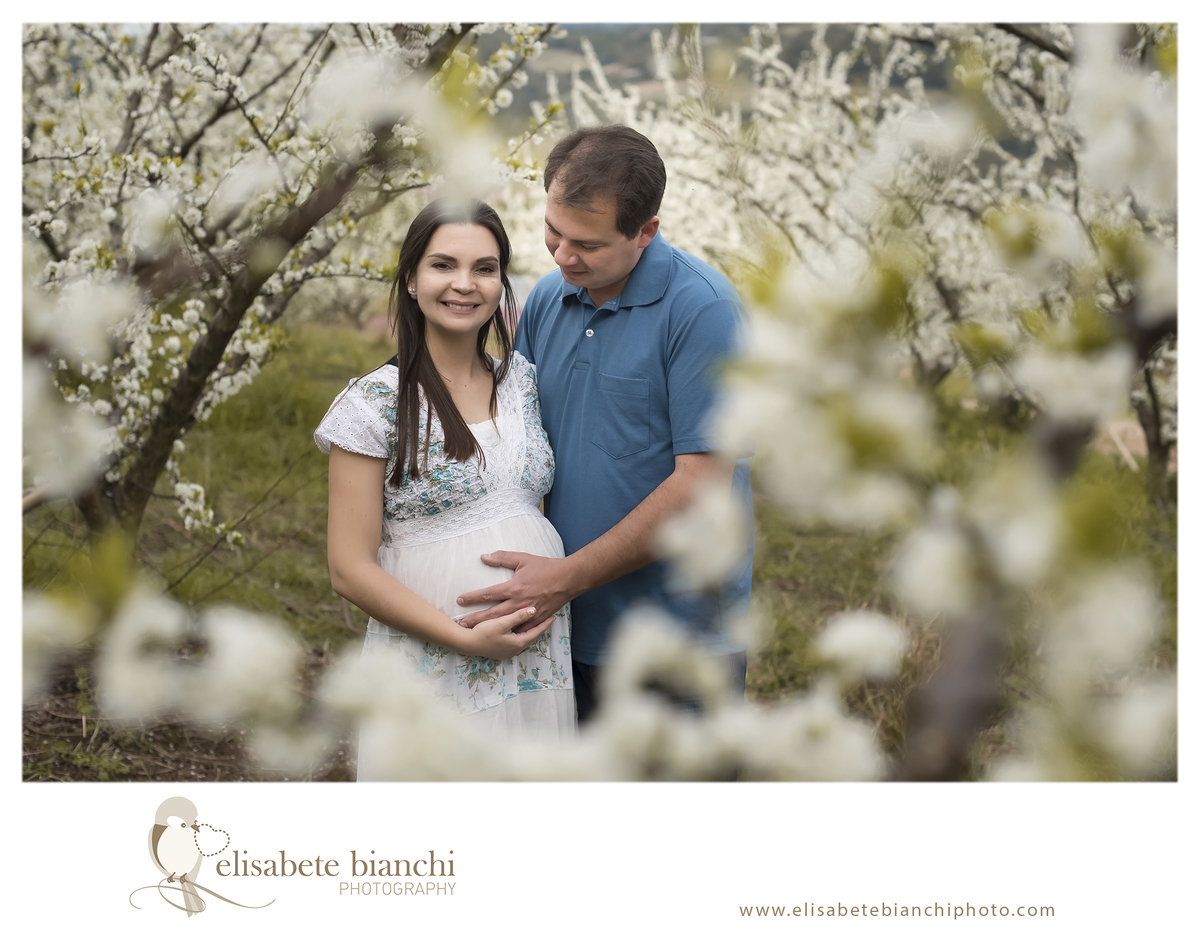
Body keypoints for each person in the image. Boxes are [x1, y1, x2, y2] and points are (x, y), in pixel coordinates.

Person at [455, 126, 753, 724]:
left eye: (587, 244)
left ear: (646, 231)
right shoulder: (548, 299)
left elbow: (701, 483)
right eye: (553, 231)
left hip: (677, 638)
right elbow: (517, 442)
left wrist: (564, 578)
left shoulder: (704, 310)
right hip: (559, 624)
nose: (562, 256)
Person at [314, 198, 575, 778]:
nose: (465, 284)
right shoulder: (372, 404)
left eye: (485, 268)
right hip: (434, 657)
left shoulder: (522, 383)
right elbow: (348, 569)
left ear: (501, 283)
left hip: (536, 659)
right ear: (411, 279)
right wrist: (464, 640)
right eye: (443, 265)